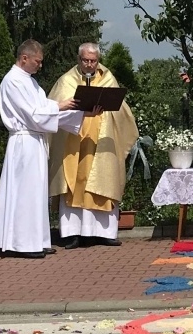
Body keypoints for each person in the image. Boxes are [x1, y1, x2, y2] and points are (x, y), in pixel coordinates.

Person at [0, 38, 84, 258]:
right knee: (25, 192)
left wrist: (82, 113)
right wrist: (60, 105)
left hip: (35, 140)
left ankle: (37, 240)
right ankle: (22, 243)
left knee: (36, 193)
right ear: (24, 58)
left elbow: (44, 112)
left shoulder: (31, 82)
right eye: (37, 61)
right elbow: (33, 114)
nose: (40, 65)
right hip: (23, 142)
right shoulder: (13, 81)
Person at [48, 42, 138, 247]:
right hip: (74, 141)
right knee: (74, 184)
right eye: (85, 60)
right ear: (79, 60)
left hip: (100, 140)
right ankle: (72, 233)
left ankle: (103, 232)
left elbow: (121, 108)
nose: (89, 65)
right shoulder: (66, 81)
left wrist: (108, 105)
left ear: (98, 61)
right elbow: (54, 109)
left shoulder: (108, 78)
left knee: (101, 182)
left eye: (93, 61)